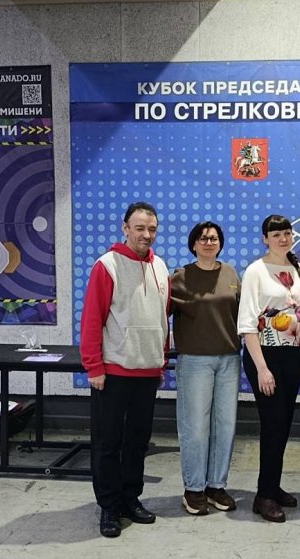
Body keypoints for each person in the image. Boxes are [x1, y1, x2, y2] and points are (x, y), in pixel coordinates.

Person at [80, 201, 170, 538]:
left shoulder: (160, 266)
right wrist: (94, 367)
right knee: (108, 443)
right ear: (125, 228)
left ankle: (131, 499)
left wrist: (161, 360)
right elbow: (92, 319)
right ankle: (108, 505)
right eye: (140, 228)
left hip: (148, 372)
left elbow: (162, 318)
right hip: (114, 371)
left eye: (152, 229)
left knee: (137, 442)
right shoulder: (107, 266)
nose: (146, 234)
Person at [237, 215, 300, 523]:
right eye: (276, 234)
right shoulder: (256, 271)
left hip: (295, 356)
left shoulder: (299, 271)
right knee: (273, 423)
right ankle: (264, 496)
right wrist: (262, 368)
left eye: (286, 233)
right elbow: (247, 323)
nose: (283, 238)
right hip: (266, 355)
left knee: (284, 424)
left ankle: (272, 484)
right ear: (265, 239)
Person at [170, 221, 241, 516]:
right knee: (196, 427)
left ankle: (216, 486)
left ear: (220, 242)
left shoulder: (231, 274)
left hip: (229, 359)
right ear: (193, 244)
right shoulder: (180, 277)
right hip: (195, 361)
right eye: (202, 238)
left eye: (213, 238)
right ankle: (194, 488)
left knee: (225, 426)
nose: (208, 242)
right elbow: (161, 314)